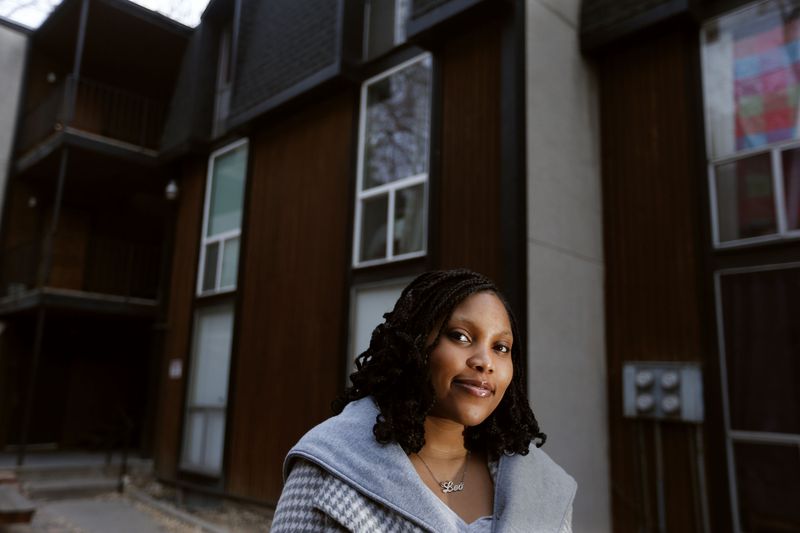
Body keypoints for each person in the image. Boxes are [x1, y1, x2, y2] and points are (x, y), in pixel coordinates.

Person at [271, 269, 576, 532]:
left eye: (501, 347)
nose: (486, 361)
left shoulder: (544, 489)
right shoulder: (328, 469)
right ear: (414, 345)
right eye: (460, 337)